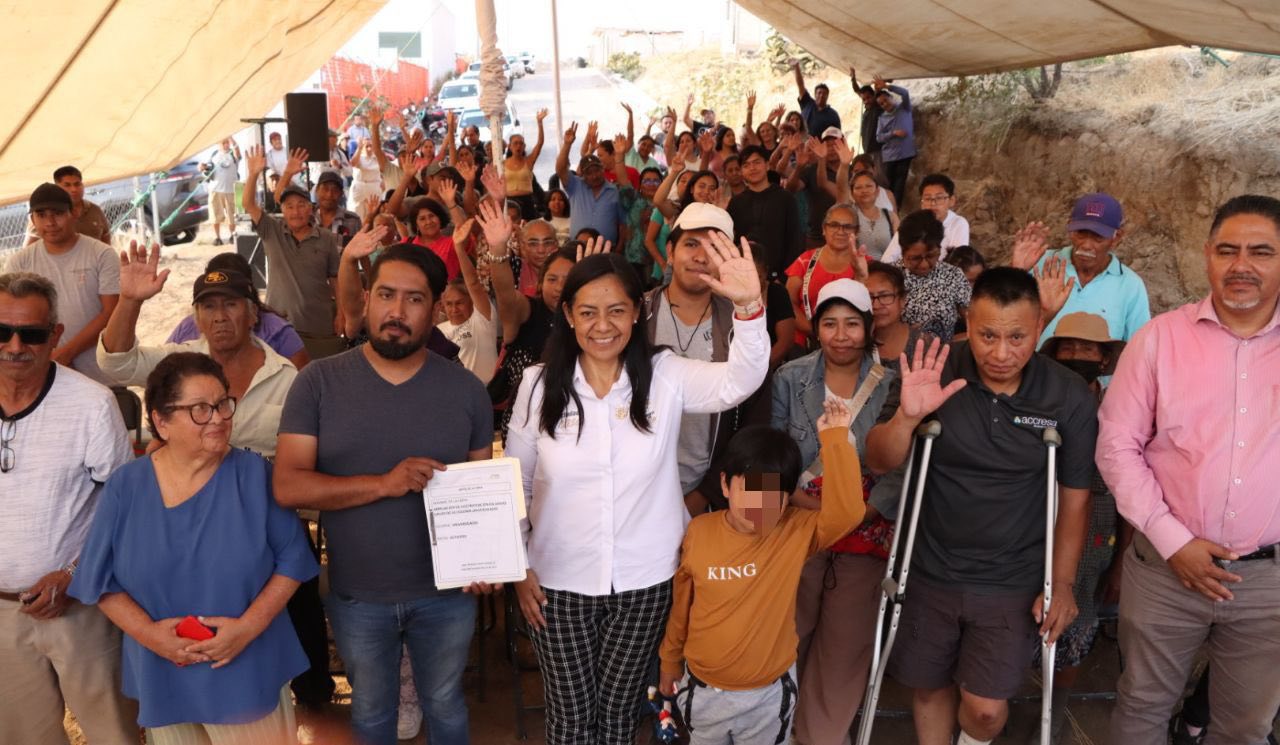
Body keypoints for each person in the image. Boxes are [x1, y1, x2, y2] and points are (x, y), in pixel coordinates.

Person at [507, 234, 768, 745]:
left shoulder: (665, 374)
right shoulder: (538, 384)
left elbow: (741, 380)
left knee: (623, 712)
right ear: (568, 315)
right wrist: (517, 567)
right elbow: (516, 480)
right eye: (587, 312)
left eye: (616, 311)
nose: (602, 326)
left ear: (636, 314)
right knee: (569, 717)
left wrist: (748, 306)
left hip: (645, 582)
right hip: (556, 582)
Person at [865, 267, 1098, 745]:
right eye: (987, 335)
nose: (1000, 352)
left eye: (1017, 337)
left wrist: (1065, 583)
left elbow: (1075, 498)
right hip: (929, 567)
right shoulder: (934, 364)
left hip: (1012, 577)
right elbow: (880, 459)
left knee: (987, 711)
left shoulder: (1066, 394)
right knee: (929, 688)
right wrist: (908, 417)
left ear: (1040, 329)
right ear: (968, 323)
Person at [275, 242, 496, 745]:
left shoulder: (466, 392)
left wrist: (485, 562)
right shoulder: (318, 383)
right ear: (365, 300)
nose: (397, 312)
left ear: (436, 310)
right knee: (372, 714)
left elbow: (480, 493)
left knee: (445, 704)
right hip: (358, 595)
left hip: (447, 596)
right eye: (386, 295)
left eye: (414, 299)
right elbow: (288, 485)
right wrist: (383, 484)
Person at [1098, 194, 1280, 745]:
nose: (1240, 265)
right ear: (1206, 256)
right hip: (1163, 570)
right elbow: (1116, 446)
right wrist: (1174, 541)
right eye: (1227, 250)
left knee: (1246, 725)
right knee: (1142, 711)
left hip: (1268, 581)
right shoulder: (1159, 340)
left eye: (1261, 252)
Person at [68, 351, 318, 743]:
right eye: (200, 409)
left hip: (243, 666)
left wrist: (247, 629)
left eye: (222, 404)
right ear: (162, 422)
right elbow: (101, 580)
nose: (219, 417)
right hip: (163, 669)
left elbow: (293, 561)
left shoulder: (255, 476)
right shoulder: (127, 486)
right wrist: (153, 637)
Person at [659, 401, 864, 745]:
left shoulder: (795, 532)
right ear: (725, 485)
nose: (761, 504)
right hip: (703, 691)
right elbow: (683, 604)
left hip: (768, 697)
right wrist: (669, 660)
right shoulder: (699, 531)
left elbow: (847, 515)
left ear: (788, 498)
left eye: (775, 494)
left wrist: (836, 440)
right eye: (750, 489)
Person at [0, 272, 139, 745]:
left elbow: (125, 509)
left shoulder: (92, 404)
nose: (15, 345)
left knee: (113, 734)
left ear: (55, 335)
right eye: (2, 331)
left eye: (32, 334)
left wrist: (74, 575)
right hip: (2, 614)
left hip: (81, 605)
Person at [771, 278, 896, 745]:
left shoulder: (892, 381)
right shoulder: (789, 375)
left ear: (867, 327)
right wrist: (788, 501)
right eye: (829, 324)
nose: (840, 335)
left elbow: (903, 462)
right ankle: (778, 726)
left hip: (867, 531)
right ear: (815, 328)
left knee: (845, 646)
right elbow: (774, 451)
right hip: (800, 525)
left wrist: (865, 510)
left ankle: (821, 737)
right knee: (788, 634)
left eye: (851, 325)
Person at [1032, 312, 1131, 743]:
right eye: (1068, 347)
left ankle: (1055, 709)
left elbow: (1131, 490)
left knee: (1079, 619)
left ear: (1104, 358)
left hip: (1097, 529)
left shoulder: (1121, 410)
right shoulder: (1036, 400)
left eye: (1088, 349)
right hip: (1031, 522)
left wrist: (1122, 563)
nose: (1078, 356)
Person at [642, 204, 761, 515]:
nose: (700, 257)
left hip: (707, 495)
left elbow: (753, 419)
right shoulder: (635, 315)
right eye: (691, 244)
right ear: (669, 251)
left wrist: (705, 493)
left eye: (713, 248)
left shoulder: (745, 324)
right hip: (638, 489)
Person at [5, 182, 119, 385]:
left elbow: (111, 312)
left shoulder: (102, 254)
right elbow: (11, 319)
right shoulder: (19, 262)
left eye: (57, 213)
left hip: (100, 372)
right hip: (42, 374)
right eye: (41, 215)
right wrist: (50, 357)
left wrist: (65, 353)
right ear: (32, 220)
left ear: (73, 213)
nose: (50, 222)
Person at [243, 145, 345, 360]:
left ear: (310, 209)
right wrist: (253, 175)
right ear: (283, 210)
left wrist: (342, 313)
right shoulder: (272, 230)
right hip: (277, 324)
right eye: (289, 206)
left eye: (301, 205)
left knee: (317, 375)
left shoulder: (327, 238)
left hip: (318, 324)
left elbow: (336, 279)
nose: (295, 211)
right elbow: (248, 204)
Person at [1013, 193, 1152, 349]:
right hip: (1039, 372)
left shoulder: (1130, 285)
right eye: (1080, 233)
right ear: (1070, 228)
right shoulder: (1040, 263)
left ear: (1117, 237)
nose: (1086, 245)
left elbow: (1138, 347)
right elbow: (1003, 319)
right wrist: (1016, 271)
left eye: (1097, 237)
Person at [166, 252, 310, 370]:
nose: (220, 317)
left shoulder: (277, 331)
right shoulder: (187, 327)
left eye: (230, 303)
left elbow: (302, 385)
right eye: (210, 305)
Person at [786, 203, 868, 348]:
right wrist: (815, 330)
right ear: (824, 229)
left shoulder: (866, 265)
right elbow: (788, 302)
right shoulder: (805, 260)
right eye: (834, 225)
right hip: (806, 343)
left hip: (849, 344)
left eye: (848, 226)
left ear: (857, 231)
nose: (840, 231)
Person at [728, 145, 804, 281]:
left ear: (767, 165)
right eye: (746, 165)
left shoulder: (786, 198)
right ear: (741, 172)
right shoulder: (735, 203)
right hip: (743, 276)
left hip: (779, 277)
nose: (752, 168)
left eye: (757, 162)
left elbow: (795, 240)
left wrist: (785, 277)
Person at [894, 210, 972, 341]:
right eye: (915, 258)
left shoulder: (952, 276)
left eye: (931, 256)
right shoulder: (891, 277)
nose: (924, 265)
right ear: (902, 252)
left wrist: (951, 344)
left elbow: (974, 322)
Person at [439, 219, 499, 384]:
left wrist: (459, 248)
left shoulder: (482, 321)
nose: (454, 309)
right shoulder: (438, 331)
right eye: (449, 304)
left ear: (471, 302)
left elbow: (473, 283)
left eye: (459, 303)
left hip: (485, 397)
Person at [557, 123, 622, 245]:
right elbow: (560, 170)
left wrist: (619, 247)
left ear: (603, 169)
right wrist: (567, 145)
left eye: (597, 170)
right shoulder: (575, 186)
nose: (594, 176)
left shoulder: (614, 191)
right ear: (583, 174)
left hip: (606, 250)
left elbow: (623, 224)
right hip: (577, 247)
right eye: (589, 172)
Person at [882, 174, 971, 263]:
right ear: (922, 203)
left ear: (951, 201)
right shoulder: (911, 223)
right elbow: (888, 258)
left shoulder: (958, 223)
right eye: (928, 199)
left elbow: (958, 261)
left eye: (939, 198)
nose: (933, 203)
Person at [865, 261, 932, 371]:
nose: (876, 305)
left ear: (902, 300)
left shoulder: (924, 345)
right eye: (868, 297)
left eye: (885, 296)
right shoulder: (852, 346)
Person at [24, 165, 114, 245]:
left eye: (77, 184)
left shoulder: (95, 210)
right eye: (67, 185)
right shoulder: (44, 217)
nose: (74, 189)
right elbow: (29, 251)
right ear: (57, 187)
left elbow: (106, 237)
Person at [787, 128, 845, 249]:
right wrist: (798, 167)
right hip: (816, 237)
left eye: (835, 145)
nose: (831, 149)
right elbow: (791, 188)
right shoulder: (812, 170)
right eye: (827, 146)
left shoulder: (852, 170)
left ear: (843, 145)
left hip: (845, 234)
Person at [873, 77, 916, 208]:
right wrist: (893, 133)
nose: (885, 104)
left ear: (891, 97)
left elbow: (905, 93)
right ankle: (888, 210)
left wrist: (887, 86)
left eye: (885, 100)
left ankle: (895, 211)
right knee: (889, 185)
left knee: (899, 185)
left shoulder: (904, 108)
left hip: (905, 154)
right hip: (890, 156)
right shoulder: (882, 118)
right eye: (881, 104)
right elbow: (879, 138)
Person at [505, 108, 549, 220]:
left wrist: (539, 123)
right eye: (515, 143)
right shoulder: (502, 164)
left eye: (521, 144)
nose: (518, 146)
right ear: (509, 146)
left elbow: (540, 143)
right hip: (509, 202)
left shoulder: (528, 161)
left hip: (527, 202)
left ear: (524, 146)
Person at [203, 139, 241, 246]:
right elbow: (206, 168)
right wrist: (202, 167)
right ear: (218, 144)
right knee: (215, 214)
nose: (225, 145)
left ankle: (232, 235)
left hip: (231, 190)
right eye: (223, 143)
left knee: (232, 215)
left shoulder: (233, 155)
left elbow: (237, 151)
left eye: (226, 142)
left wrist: (232, 138)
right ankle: (217, 237)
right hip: (215, 189)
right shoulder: (214, 155)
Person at [793, 60, 841, 136]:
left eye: (824, 93)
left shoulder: (833, 115)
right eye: (819, 93)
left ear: (827, 96)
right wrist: (796, 67)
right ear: (815, 94)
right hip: (802, 144)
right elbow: (800, 85)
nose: (821, 95)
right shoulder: (807, 103)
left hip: (820, 147)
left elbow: (837, 135)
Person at [849, 67, 884, 167]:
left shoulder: (877, 107)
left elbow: (877, 92)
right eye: (864, 99)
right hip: (868, 151)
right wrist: (853, 79)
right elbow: (857, 90)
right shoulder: (867, 111)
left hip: (878, 151)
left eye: (869, 97)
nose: (867, 101)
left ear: (874, 96)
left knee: (880, 178)